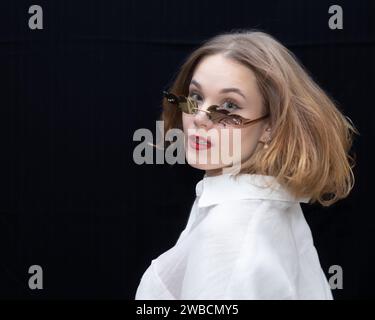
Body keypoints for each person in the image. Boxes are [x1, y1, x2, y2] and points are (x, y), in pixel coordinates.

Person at [135, 29, 359, 300]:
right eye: (195, 97)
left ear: (270, 127)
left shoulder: (230, 234)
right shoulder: (260, 204)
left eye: (229, 106)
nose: (201, 118)